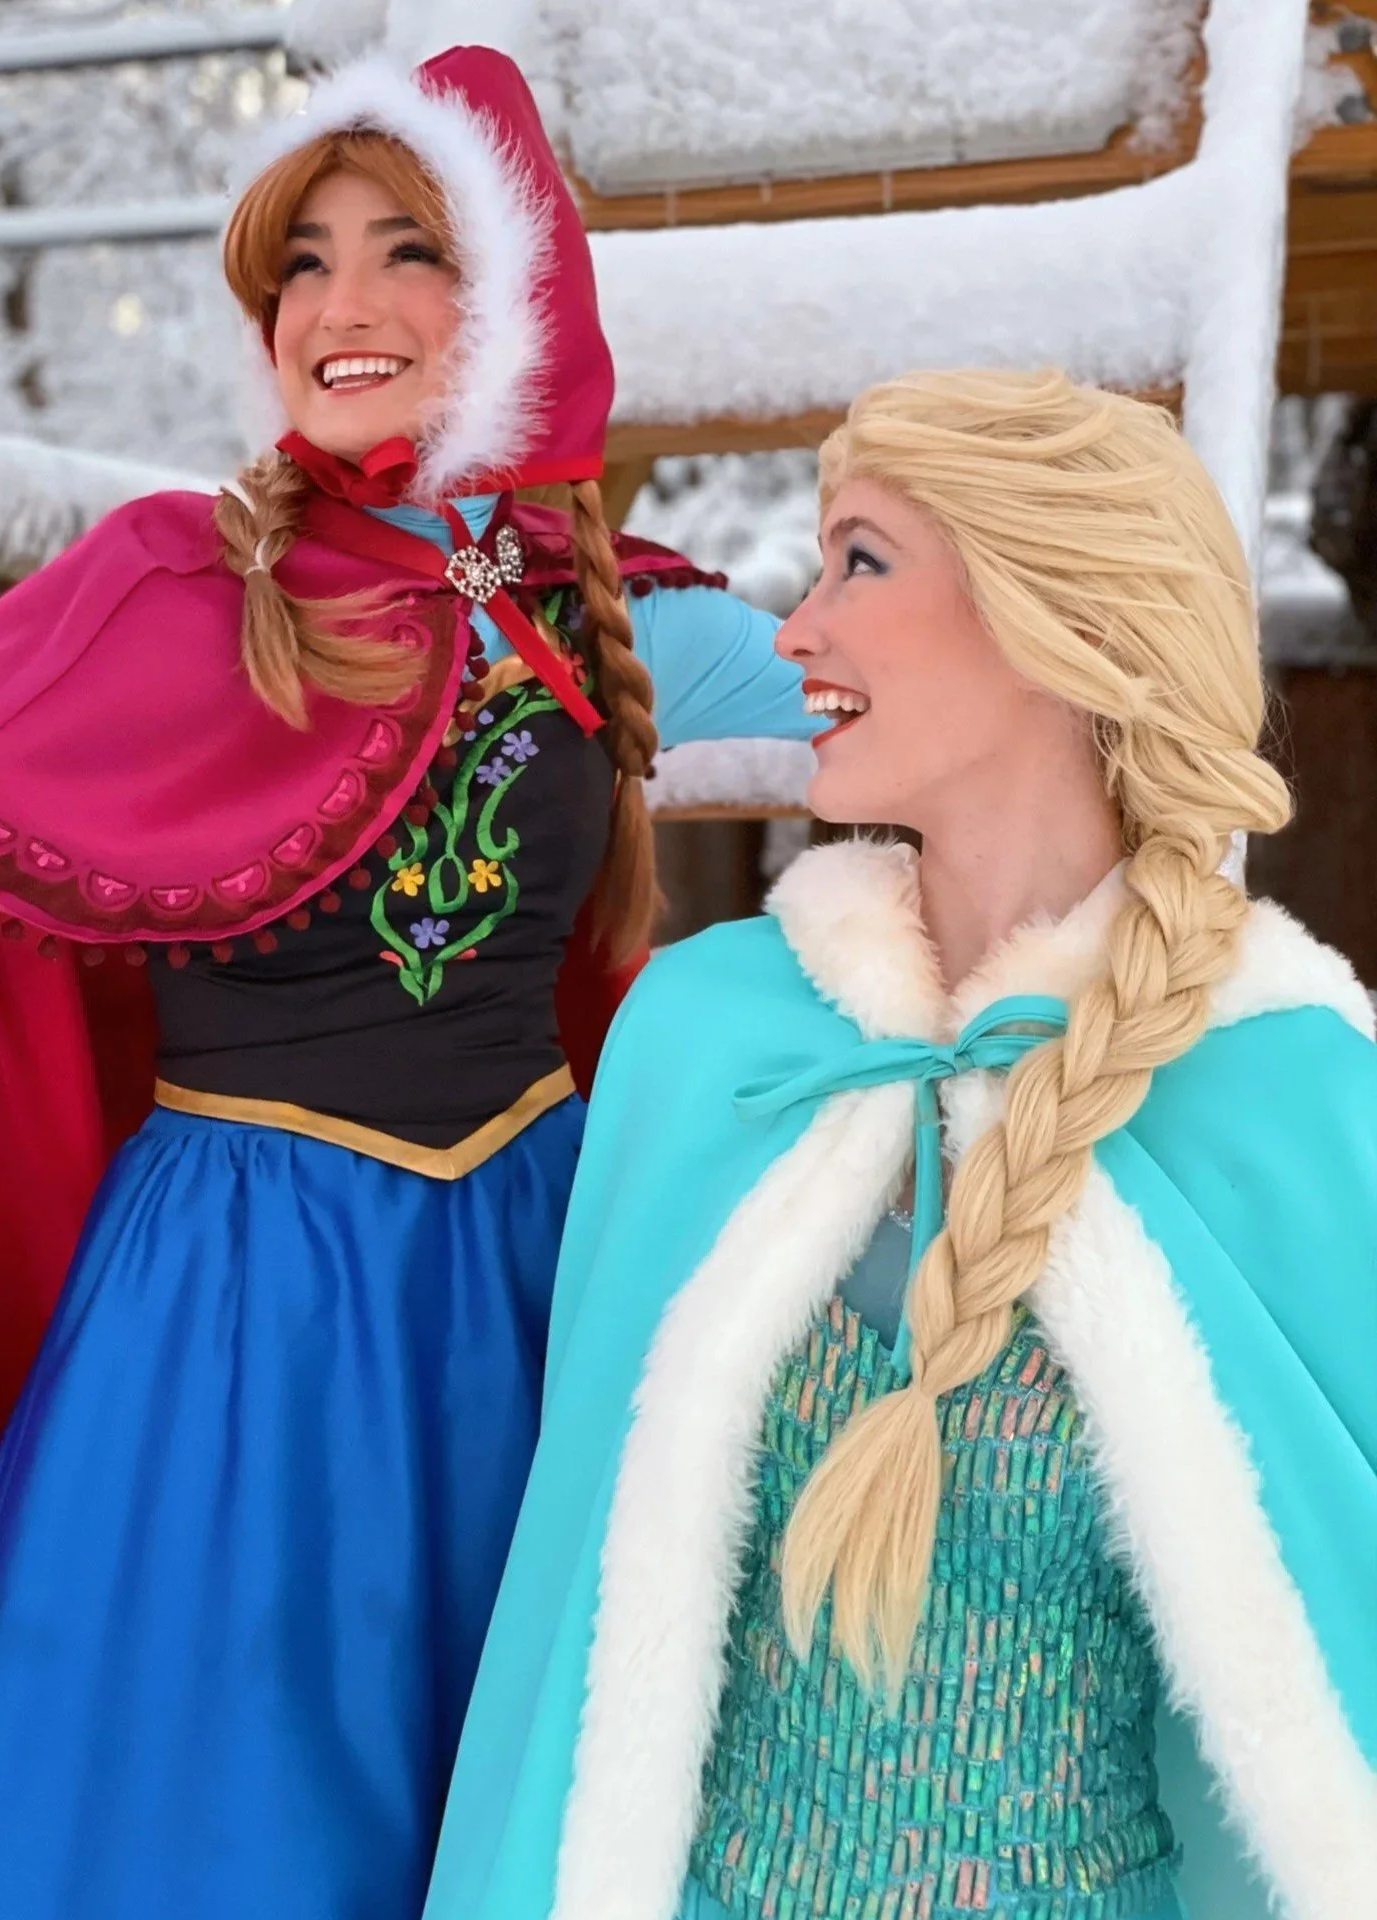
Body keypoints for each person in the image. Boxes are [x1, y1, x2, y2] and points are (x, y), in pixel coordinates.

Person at [0, 45, 814, 1920]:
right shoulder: (171, 585)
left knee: (530, 1763)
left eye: (405, 251)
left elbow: (889, 702)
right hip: (236, 1305)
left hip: (534, 1280)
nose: (342, 305)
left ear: (520, 291)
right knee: (220, 1798)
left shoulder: (604, 617)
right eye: (301, 263)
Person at [421, 369, 1377, 1920]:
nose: (795, 629)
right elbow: (569, 1638)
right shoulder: (708, 1045)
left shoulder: (1290, 1097)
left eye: (860, 561)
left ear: (1052, 617)